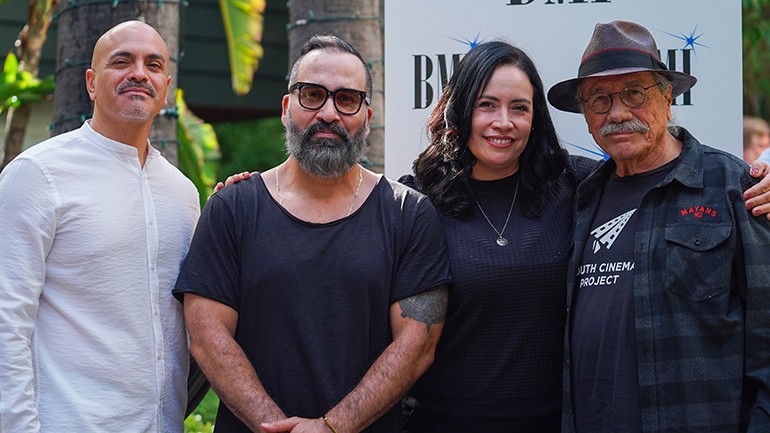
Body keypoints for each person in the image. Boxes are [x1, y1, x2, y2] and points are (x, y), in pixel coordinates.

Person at [173, 34, 451, 433]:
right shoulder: (232, 209)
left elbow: (417, 345)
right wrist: (277, 426)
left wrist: (332, 427)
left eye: (347, 99)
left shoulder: (408, 214)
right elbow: (207, 337)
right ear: (287, 107)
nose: (329, 113)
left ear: (367, 117)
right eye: (313, 95)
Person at [547, 20, 770, 433]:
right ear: (586, 117)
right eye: (599, 100)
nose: (617, 112)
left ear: (668, 98)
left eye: (634, 93)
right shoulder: (582, 196)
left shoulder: (734, 188)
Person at [0, 21, 199, 432]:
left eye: (153, 64)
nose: (139, 73)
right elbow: (6, 316)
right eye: (121, 61)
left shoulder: (182, 193)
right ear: (91, 83)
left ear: (166, 86)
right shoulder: (38, 174)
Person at [396, 40, 597, 433]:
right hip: (443, 425)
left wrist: (749, 183)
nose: (503, 122)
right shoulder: (416, 200)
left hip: (556, 424)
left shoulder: (579, 186)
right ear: (461, 109)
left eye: (519, 108)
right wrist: (253, 194)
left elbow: (659, 180)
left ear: (535, 117)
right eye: (487, 105)